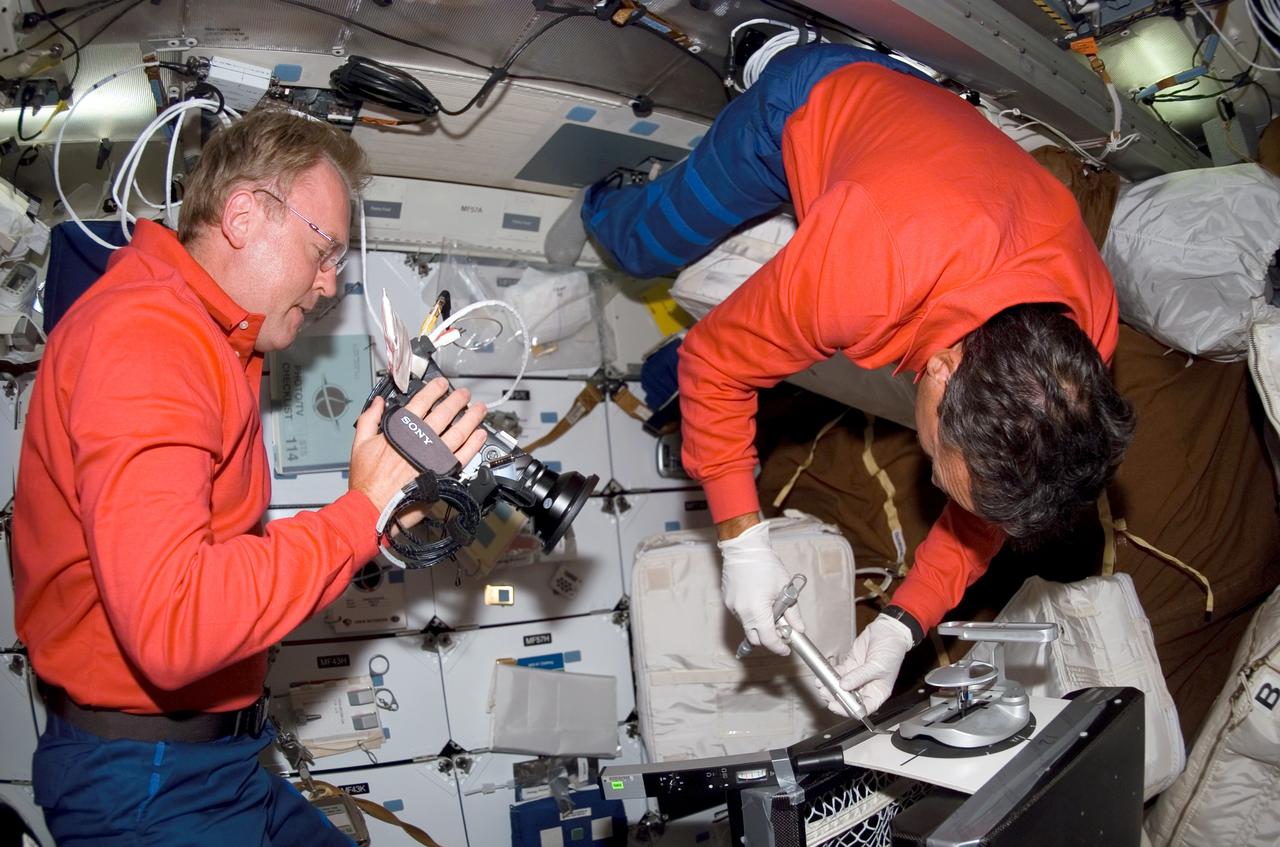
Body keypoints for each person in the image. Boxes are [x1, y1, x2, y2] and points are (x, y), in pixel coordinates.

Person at [553, 44, 1134, 717]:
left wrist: (902, 622)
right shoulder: (867, 271)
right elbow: (711, 362)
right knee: (649, 246)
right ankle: (604, 205)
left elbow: (994, 499)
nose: (940, 482)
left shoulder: (1084, 345)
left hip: (932, 147)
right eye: (941, 470)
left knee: (799, 274)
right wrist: (742, 543)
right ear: (941, 372)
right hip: (813, 98)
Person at [11, 107, 487, 846]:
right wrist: (359, 511)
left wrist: (383, 517)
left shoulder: (210, 341)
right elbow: (175, 621)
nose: (329, 286)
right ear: (241, 215)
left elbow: (212, 559)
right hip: (150, 785)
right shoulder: (148, 336)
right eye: (323, 250)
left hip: (219, 762)